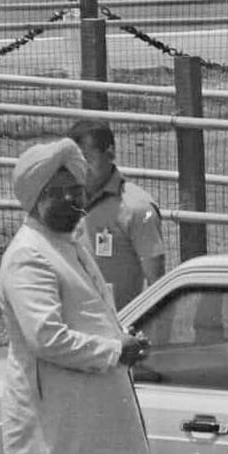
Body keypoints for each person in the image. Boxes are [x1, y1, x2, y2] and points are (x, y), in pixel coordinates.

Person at [0, 139, 161, 454]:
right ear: (37, 200)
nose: (75, 202)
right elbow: (46, 338)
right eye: (62, 194)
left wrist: (122, 336)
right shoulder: (29, 256)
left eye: (78, 192)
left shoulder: (69, 244)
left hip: (74, 414)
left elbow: (93, 311)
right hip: (47, 419)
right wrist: (113, 352)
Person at [67, 121, 165, 311]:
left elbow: (157, 285)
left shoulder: (138, 208)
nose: (79, 169)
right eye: (73, 162)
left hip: (119, 328)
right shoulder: (62, 202)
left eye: (87, 159)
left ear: (110, 153)